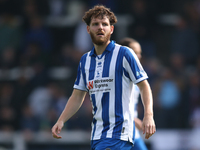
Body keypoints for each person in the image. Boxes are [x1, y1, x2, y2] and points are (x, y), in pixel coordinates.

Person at [52, 5, 156, 150]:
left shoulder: (125, 54)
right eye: (95, 24)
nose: (100, 27)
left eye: (104, 24)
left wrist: (148, 115)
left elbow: (144, 86)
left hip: (121, 132)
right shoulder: (85, 60)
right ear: (88, 29)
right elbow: (77, 96)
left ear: (111, 29)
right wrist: (61, 120)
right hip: (98, 135)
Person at [119, 37, 148, 150]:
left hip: (131, 129)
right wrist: (133, 119)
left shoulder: (136, 75)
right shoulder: (118, 76)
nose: (139, 56)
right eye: (135, 52)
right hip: (118, 131)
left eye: (139, 53)